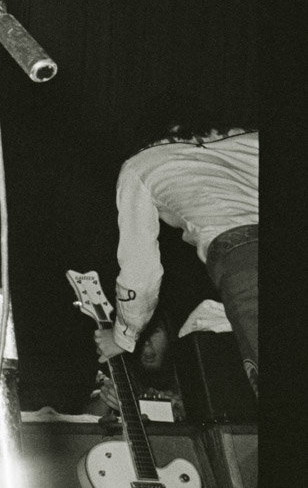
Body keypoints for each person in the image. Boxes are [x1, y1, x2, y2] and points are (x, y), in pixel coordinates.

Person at [95, 121, 258, 396]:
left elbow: (140, 272)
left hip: (243, 257)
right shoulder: (252, 138)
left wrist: (123, 337)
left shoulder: (141, 164)